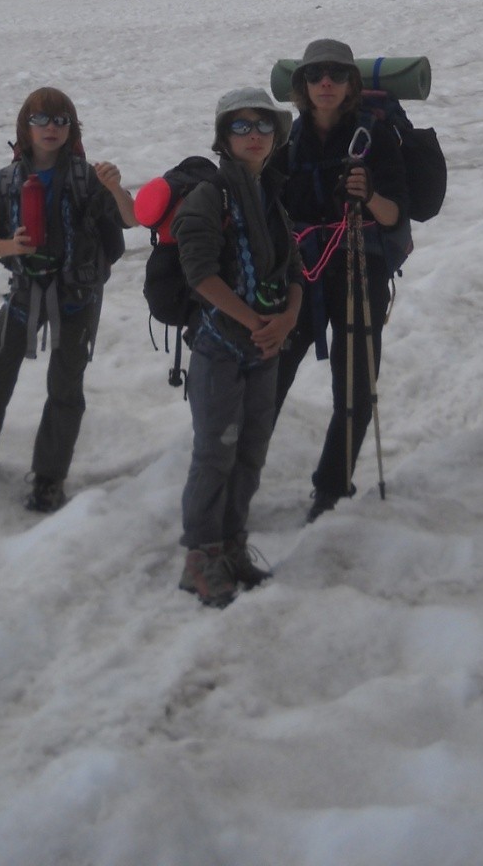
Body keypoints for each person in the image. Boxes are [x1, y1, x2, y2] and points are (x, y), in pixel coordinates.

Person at [0, 87, 136, 512]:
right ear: (25, 127)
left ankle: (49, 478)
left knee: (64, 389)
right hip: (25, 294)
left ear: (71, 128)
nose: (52, 128)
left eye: (61, 121)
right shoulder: (8, 181)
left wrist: (115, 188)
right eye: (42, 120)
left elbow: (131, 219)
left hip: (77, 299)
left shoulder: (89, 177)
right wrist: (13, 248)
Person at [172, 88, 303, 607]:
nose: (254, 135)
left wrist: (287, 319)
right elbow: (199, 272)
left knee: (249, 451)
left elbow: (292, 269)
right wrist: (257, 322)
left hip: (263, 347)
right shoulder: (211, 196)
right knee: (215, 453)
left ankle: (231, 545)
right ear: (224, 137)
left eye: (264, 126)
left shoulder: (271, 194)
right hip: (220, 348)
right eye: (242, 127)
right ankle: (200, 558)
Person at [272, 39, 408, 521]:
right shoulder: (286, 138)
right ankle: (238, 471)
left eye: (335, 74)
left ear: (351, 83)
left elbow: (394, 217)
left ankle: (331, 489)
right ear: (302, 86)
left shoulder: (377, 137)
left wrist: (368, 195)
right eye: (315, 75)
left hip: (358, 272)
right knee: (271, 378)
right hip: (303, 276)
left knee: (353, 390)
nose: (324, 82)